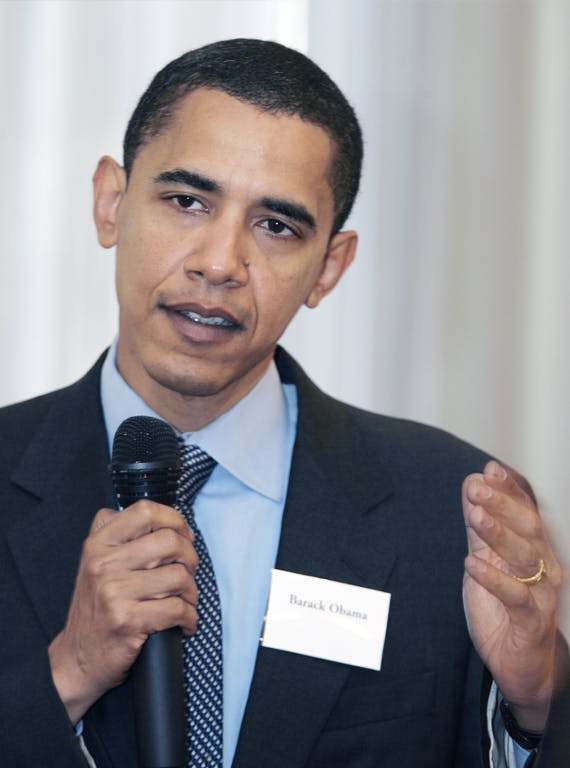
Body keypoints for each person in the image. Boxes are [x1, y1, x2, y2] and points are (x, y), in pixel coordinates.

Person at [0, 38, 566, 768]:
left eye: (275, 226)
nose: (218, 263)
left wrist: (539, 703)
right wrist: (69, 675)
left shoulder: (448, 515)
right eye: (186, 200)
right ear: (111, 203)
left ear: (328, 267)